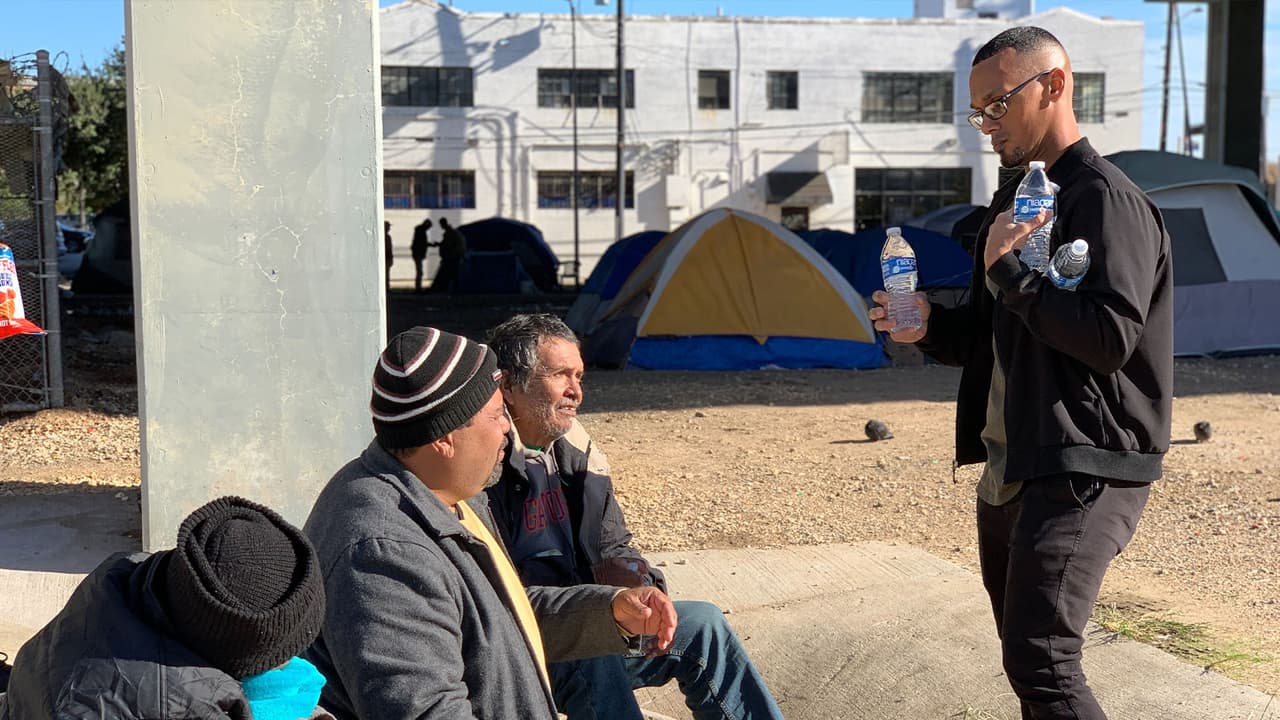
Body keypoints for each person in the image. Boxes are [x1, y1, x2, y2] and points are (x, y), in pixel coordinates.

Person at [869, 26, 1172, 720]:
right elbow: (992, 333)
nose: (986, 125)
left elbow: (1109, 338)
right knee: (1025, 658)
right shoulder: (1012, 201)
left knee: (1044, 661)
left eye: (997, 104)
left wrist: (1011, 274)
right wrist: (927, 328)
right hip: (1012, 462)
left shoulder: (1104, 200)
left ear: (1055, 85)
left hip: (1084, 465)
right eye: (977, 111)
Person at [303, 326, 678, 720]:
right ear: (445, 438)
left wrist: (611, 608)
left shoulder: (448, 493)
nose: (506, 427)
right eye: (498, 413)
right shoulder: (382, 556)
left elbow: (500, 616)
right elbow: (428, 711)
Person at [485, 314, 784, 720]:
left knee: (704, 625)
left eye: (580, 377)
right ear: (508, 386)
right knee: (593, 653)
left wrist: (638, 580)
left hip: (594, 617)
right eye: (560, 376)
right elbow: (492, 601)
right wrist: (598, 609)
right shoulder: (485, 466)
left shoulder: (575, 450)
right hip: (523, 647)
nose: (575, 392)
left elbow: (613, 543)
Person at [0, 496, 330, 720]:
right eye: (288, 652)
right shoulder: (181, 706)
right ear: (242, 659)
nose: (292, 661)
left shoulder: (121, 586)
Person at [431, 217, 466, 293]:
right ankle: (452, 289)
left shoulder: (450, 233)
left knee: (450, 274)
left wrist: (440, 245)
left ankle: (451, 289)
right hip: (453, 256)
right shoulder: (452, 232)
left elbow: (447, 245)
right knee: (452, 274)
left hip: (451, 257)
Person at [411, 216, 433, 293]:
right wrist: (430, 244)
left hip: (417, 253)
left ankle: (418, 287)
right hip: (418, 254)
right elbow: (422, 243)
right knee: (420, 271)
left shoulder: (419, 231)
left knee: (419, 271)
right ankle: (418, 288)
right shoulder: (421, 231)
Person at [383, 220, 394, 292]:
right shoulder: (386, 237)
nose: (389, 228)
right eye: (388, 226)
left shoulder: (387, 237)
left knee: (386, 274)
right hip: (386, 258)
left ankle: (386, 287)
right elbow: (388, 249)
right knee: (386, 274)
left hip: (387, 258)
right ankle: (386, 287)